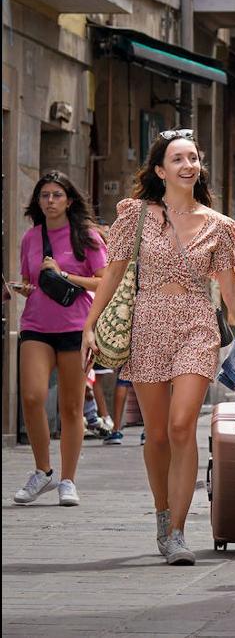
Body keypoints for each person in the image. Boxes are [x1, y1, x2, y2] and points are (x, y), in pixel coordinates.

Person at [82, 130, 235, 565]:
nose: (188, 165)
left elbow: (230, 289)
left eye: (193, 157)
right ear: (160, 170)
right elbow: (114, 273)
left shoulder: (220, 226)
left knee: (181, 426)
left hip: (197, 323)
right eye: (178, 159)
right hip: (148, 323)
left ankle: (177, 531)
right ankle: (162, 512)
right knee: (156, 434)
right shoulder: (136, 215)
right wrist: (90, 325)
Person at [13, 171, 108, 506]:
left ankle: (68, 480)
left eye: (56, 195)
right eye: (44, 195)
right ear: (38, 201)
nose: (50, 201)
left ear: (69, 201)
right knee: (32, 397)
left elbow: (104, 282)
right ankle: (43, 472)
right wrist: (24, 287)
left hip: (75, 327)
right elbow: (31, 279)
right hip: (36, 325)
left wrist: (64, 274)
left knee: (71, 407)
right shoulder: (30, 238)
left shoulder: (87, 236)